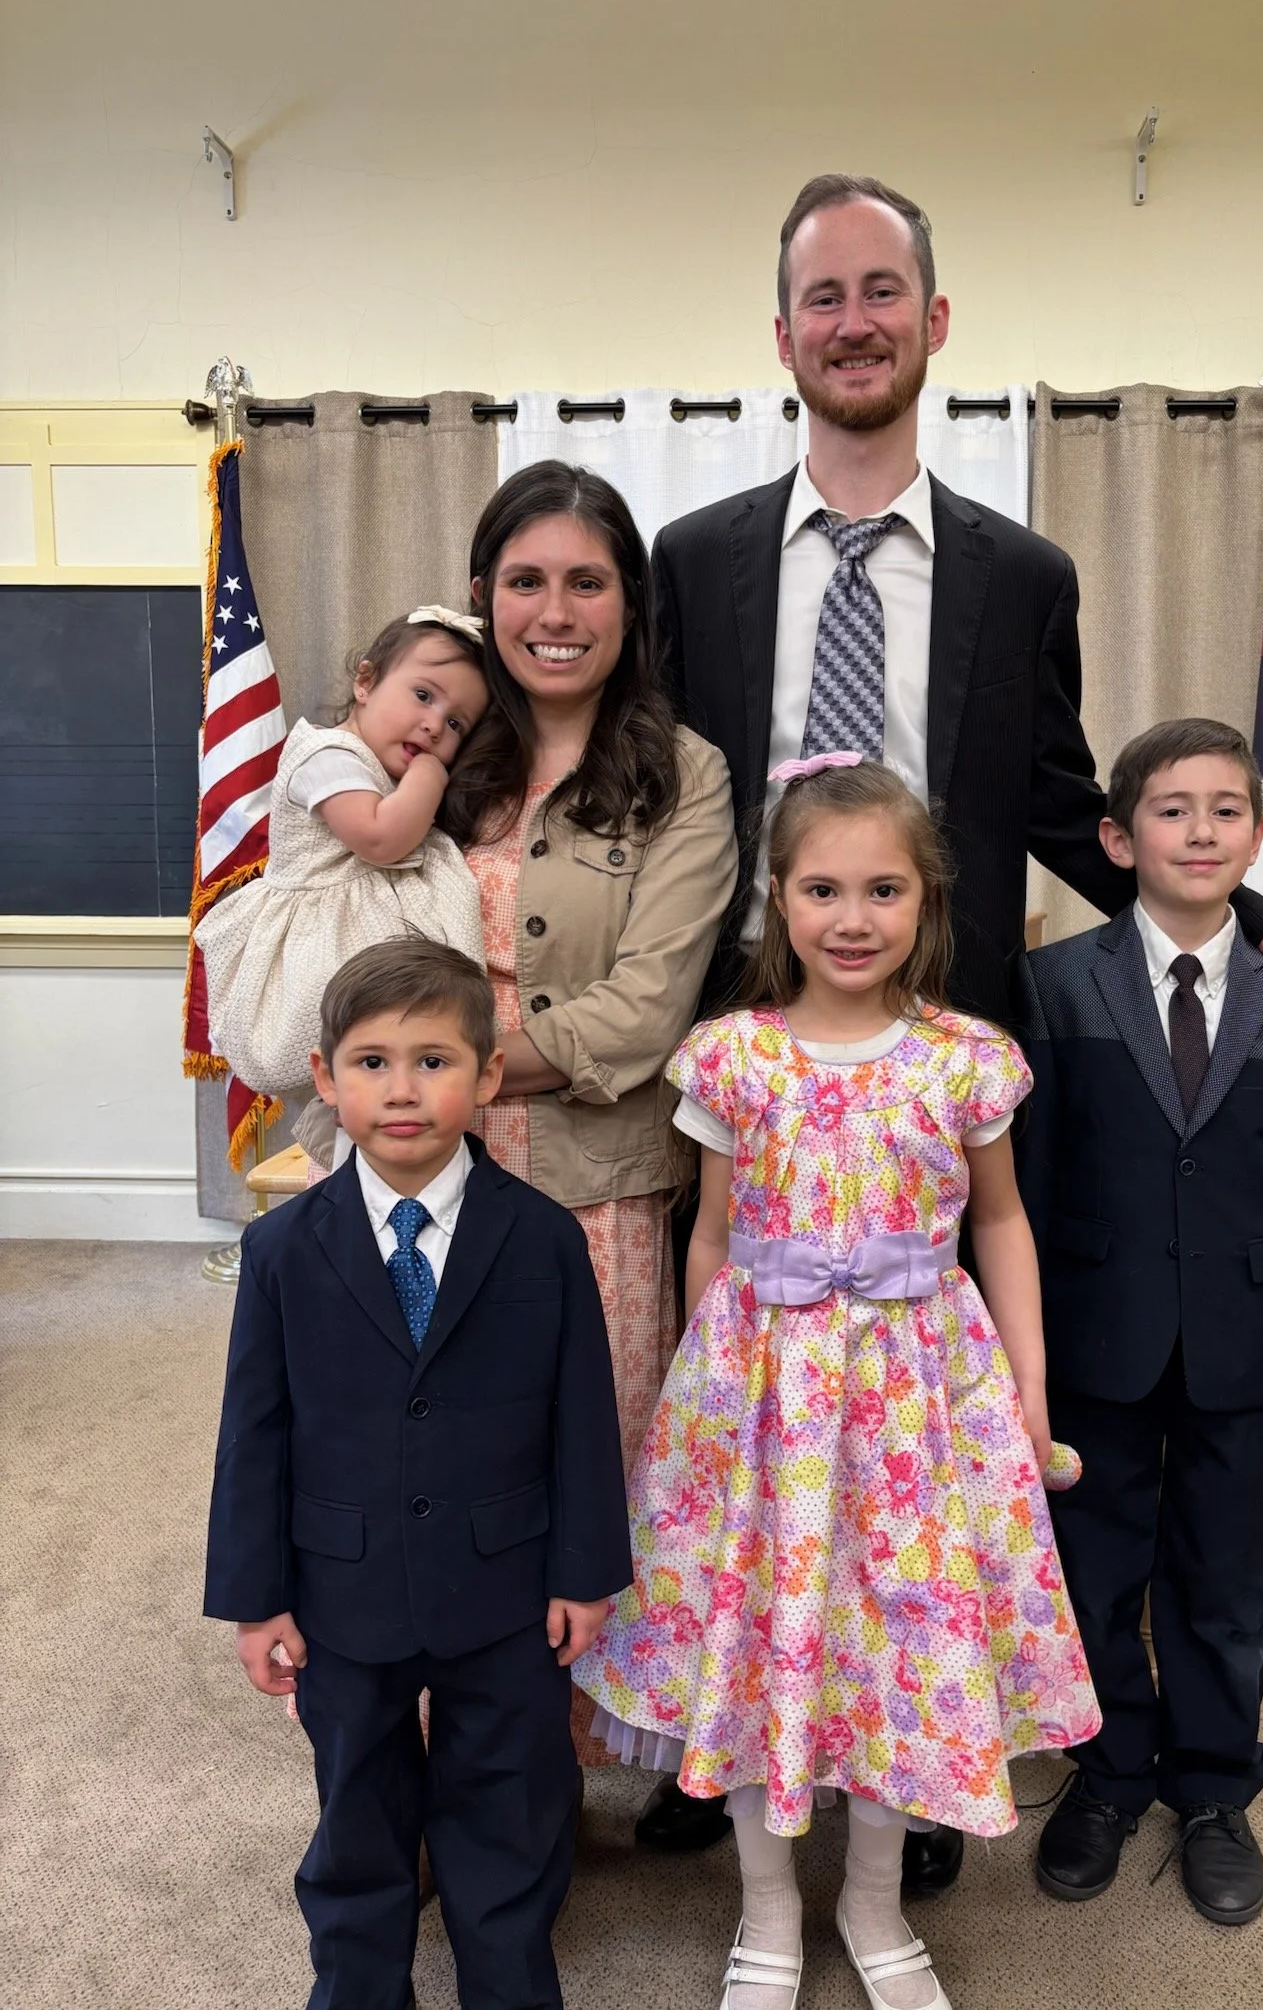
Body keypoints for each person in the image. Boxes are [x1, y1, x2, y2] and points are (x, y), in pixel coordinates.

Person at [644, 170, 1263, 1888]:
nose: (857, 321)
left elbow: (1063, 801)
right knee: (753, 1411)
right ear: (785, 336)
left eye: (886, 289)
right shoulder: (696, 562)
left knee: (918, 1436)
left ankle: (909, 1727)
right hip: (742, 1059)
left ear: (935, 320)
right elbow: (643, 797)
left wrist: (1258, 925)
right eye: (824, 296)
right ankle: (733, 1735)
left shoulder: (1023, 573)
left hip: (929, 1077)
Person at [574, 756, 1100, 2010]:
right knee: (763, 1642)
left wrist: (1027, 1391)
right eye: (822, 888)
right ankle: (764, 1908)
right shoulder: (732, 1058)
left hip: (920, 1399)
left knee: (890, 1651)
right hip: (764, 1405)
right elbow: (709, 1232)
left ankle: (871, 1903)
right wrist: (705, 1403)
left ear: (928, 901)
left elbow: (1006, 1225)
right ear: (777, 898)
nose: (852, 917)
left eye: (883, 888)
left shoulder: (965, 1058)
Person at [203, 937, 632, 2009]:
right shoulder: (284, 1248)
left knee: (507, 1806)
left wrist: (585, 1573)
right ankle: (356, 1985)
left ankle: (508, 1981)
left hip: (505, 1585)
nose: (403, 1087)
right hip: (340, 1587)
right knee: (358, 1804)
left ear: (487, 1075)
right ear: (327, 1074)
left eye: (434, 1059)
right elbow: (252, 1432)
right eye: (374, 1060)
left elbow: (584, 1415)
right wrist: (256, 1601)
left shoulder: (540, 1239)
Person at [1011, 719, 1263, 1927]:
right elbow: (1029, 1189)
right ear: (1117, 836)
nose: (1201, 829)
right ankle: (1109, 1770)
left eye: (1225, 809)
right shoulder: (1057, 982)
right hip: (1098, 1337)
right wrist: (1028, 1354)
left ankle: (1214, 1786)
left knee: (1224, 1574)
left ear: (1258, 838)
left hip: (1246, 1343)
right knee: (1094, 1563)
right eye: (1171, 808)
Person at [438, 460, 737, 1763]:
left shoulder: (683, 774)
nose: (554, 610)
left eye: (586, 580)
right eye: (524, 580)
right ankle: (438, 1756)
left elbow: (646, 1011)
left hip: (594, 1194)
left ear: (631, 605)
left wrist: (437, 1060)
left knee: (576, 1489)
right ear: (479, 595)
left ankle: (546, 1778)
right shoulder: (424, 749)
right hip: (417, 1178)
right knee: (437, 1481)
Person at [196, 606, 489, 1097]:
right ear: (366, 683)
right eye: (422, 696)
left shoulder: (378, 767)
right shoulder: (327, 755)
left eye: (456, 723)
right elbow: (381, 840)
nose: (434, 726)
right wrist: (431, 774)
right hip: (317, 929)